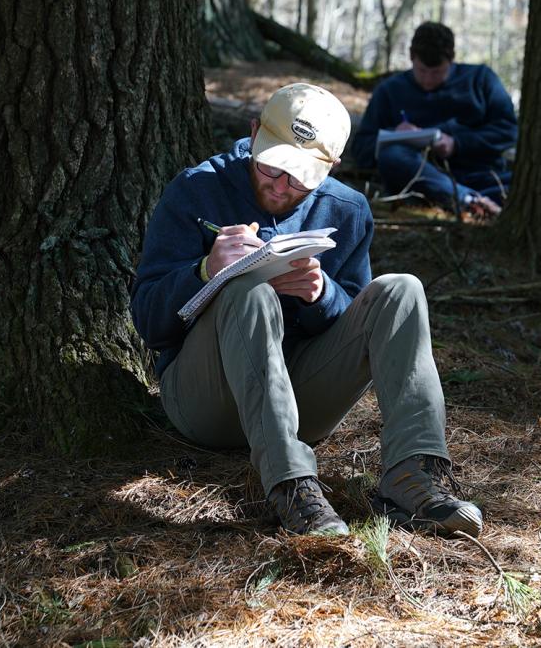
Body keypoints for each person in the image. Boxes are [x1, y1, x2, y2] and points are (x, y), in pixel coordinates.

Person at [132, 83, 482, 538]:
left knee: (402, 290)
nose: (279, 187)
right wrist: (204, 271)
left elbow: (356, 335)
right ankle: (292, 487)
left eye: (298, 177)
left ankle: (413, 475)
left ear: (330, 168)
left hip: (300, 401)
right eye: (272, 166)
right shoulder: (197, 190)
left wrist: (322, 296)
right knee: (247, 292)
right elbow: (148, 321)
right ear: (254, 132)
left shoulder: (347, 209)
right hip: (206, 401)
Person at [350, 21, 518, 216]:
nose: (428, 80)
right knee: (394, 156)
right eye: (421, 71)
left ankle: (469, 198)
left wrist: (457, 144)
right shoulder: (389, 91)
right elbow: (361, 147)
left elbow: (508, 131)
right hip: (419, 179)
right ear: (411, 58)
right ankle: (470, 202)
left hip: (482, 175)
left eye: (437, 72)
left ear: (452, 59)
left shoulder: (480, 80)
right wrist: (394, 135)